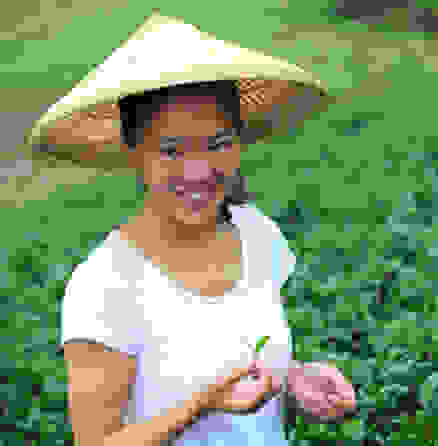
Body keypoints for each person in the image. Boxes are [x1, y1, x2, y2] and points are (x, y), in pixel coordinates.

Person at [25, 11, 356, 446]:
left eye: (218, 144)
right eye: (171, 150)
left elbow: (243, 366)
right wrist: (199, 404)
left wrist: (293, 382)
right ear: (134, 153)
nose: (198, 171)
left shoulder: (259, 235)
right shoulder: (105, 285)